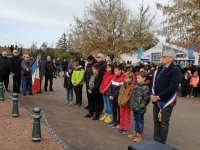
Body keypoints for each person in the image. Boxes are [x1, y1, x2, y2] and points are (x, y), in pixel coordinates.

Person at [150, 50, 182, 144]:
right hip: (156, 100)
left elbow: (172, 87)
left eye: (164, 57)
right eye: (162, 56)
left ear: (171, 58)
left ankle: (161, 143)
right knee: (156, 121)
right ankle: (155, 140)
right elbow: (153, 83)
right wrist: (151, 94)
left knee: (164, 123)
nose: (162, 58)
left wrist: (159, 97)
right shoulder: (160, 69)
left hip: (166, 101)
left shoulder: (175, 70)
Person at [129, 71, 150, 142]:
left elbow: (146, 98)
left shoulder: (146, 87)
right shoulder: (136, 86)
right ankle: (135, 132)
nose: (137, 79)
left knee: (140, 121)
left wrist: (141, 105)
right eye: (136, 78)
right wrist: (132, 104)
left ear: (144, 78)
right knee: (136, 120)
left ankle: (139, 135)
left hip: (140, 108)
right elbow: (133, 96)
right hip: (134, 107)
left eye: (139, 78)